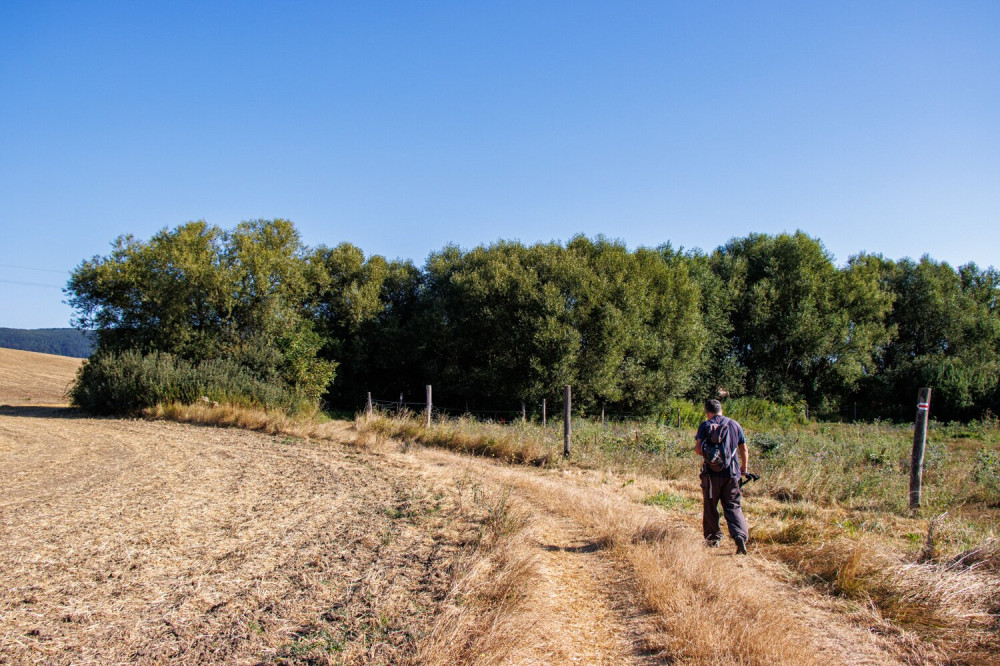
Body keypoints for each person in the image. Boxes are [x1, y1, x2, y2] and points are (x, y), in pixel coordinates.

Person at [694, 399, 750, 554]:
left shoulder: (705, 425)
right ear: (721, 410)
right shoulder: (734, 425)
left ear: (707, 412)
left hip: (711, 475)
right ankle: (739, 535)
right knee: (733, 506)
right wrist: (743, 468)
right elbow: (744, 450)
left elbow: (698, 450)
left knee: (711, 506)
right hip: (732, 474)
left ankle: (712, 539)